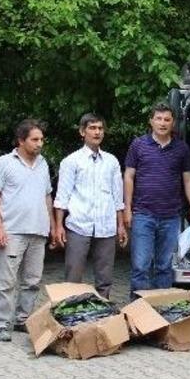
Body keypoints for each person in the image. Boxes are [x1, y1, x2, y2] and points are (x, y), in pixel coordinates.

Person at [0, 119, 54, 342]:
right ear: (21, 140)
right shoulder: (4, 163)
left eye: (41, 139)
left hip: (38, 230)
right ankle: (0, 323)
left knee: (32, 281)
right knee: (6, 281)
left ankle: (22, 319)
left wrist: (52, 226)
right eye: (34, 139)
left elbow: (47, 196)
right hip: (12, 230)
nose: (39, 144)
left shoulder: (43, 163)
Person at [123, 102, 190, 296]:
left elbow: (188, 180)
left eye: (167, 119)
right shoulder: (138, 145)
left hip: (171, 217)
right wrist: (127, 209)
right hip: (143, 215)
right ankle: (138, 314)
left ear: (173, 123)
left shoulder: (181, 148)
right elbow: (128, 177)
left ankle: (161, 311)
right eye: (158, 118)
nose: (162, 123)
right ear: (151, 121)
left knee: (164, 267)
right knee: (140, 266)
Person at [53, 113, 127, 301]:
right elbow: (62, 196)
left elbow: (117, 196)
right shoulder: (71, 161)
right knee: (73, 277)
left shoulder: (111, 161)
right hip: (79, 224)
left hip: (106, 226)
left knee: (105, 278)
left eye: (100, 128)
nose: (97, 132)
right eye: (92, 128)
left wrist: (120, 225)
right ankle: (70, 317)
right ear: (82, 132)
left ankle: (102, 316)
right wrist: (59, 226)